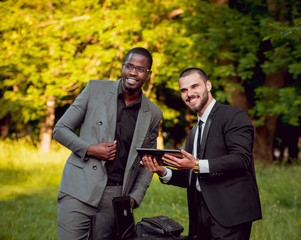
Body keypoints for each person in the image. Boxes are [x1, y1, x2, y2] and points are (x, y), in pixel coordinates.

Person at [53, 47, 162, 240]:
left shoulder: (153, 113)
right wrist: (90, 149)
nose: (133, 72)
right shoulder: (95, 89)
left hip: (116, 197)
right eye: (129, 66)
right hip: (79, 187)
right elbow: (60, 130)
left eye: (140, 69)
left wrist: (135, 196)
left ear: (149, 75)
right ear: (122, 67)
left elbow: (148, 162)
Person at [141, 68, 262, 240]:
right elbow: (192, 177)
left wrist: (196, 164)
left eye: (194, 86)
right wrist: (162, 171)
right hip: (200, 217)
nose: (189, 94)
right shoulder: (193, 132)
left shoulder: (233, 115)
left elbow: (241, 159)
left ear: (208, 85)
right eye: (184, 90)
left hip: (230, 215)